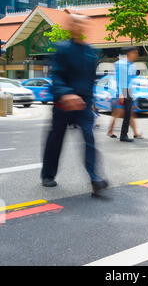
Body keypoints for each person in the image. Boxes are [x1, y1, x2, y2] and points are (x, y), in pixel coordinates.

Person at [41, 14, 108, 196]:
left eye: (82, 23)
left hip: (83, 104)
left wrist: (91, 102)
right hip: (63, 103)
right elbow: (56, 76)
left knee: (89, 138)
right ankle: (48, 174)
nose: (80, 26)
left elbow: (90, 80)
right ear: (70, 27)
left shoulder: (90, 52)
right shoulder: (62, 49)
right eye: (76, 23)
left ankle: (94, 177)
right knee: (56, 139)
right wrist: (66, 94)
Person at [114, 47, 138, 142]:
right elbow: (120, 80)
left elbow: (132, 80)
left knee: (127, 113)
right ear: (128, 53)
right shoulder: (122, 64)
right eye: (134, 52)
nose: (136, 54)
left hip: (129, 91)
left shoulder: (132, 65)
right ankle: (123, 135)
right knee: (125, 113)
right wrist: (120, 93)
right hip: (124, 90)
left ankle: (123, 134)